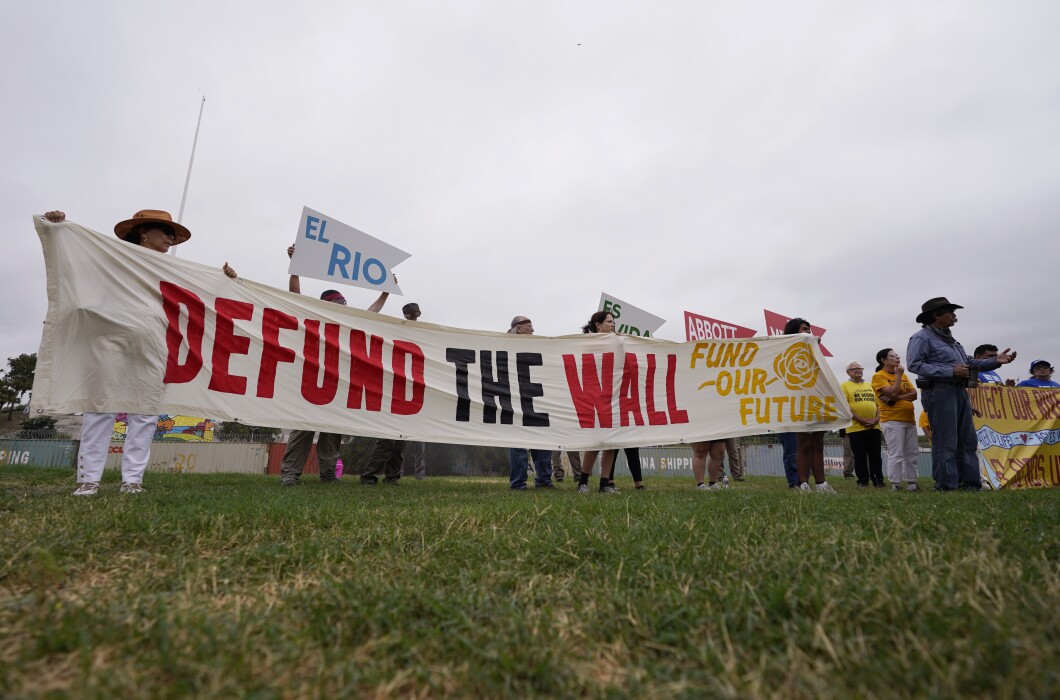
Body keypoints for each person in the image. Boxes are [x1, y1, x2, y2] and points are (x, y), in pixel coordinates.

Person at [43, 209, 231, 496]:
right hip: (109, 340)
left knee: (145, 411)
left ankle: (132, 480)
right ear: (144, 232)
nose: (170, 239)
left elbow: (203, 290)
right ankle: (89, 479)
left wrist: (225, 278)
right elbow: (78, 261)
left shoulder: (172, 269)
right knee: (100, 407)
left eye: (172, 234)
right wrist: (58, 227)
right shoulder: (114, 258)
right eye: (165, 232)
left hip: (152, 343)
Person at [279, 245, 389, 485]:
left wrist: (385, 293)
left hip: (335, 383)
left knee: (331, 431)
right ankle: (290, 473)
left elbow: (371, 313)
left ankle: (328, 473)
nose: (344, 308)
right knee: (303, 429)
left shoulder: (347, 324)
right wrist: (295, 268)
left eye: (344, 304)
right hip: (310, 382)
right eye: (339, 304)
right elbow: (295, 296)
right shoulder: (313, 318)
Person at [906, 297, 1017, 491]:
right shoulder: (921, 337)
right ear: (936, 315)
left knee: (968, 440)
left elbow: (969, 362)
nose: (954, 315)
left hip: (959, 391)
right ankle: (947, 485)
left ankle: (971, 484)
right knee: (946, 440)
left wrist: (996, 361)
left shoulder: (952, 341)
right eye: (950, 311)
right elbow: (915, 365)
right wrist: (950, 372)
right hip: (939, 391)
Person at [361, 302, 423, 485]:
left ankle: (392, 476)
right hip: (393, 393)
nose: (413, 316)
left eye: (415, 314)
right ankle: (369, 475)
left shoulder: (422, 333)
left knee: (401, 441)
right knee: (387, 441)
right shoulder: (395, 331)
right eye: (411, 314)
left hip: (409, 394)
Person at [784, 318, 836, 493]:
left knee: (818, 443)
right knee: (803, 443)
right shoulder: (788, 351)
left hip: (816, 400)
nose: (809, 333)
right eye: (804, 329)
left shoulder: (815, 352)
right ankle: (804, 483)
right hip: (800, 401)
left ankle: (821, 484)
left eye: (809, 330)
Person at [504, 315, 555, 490]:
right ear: (518, 328)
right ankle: (518, 483)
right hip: (515, 400)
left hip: (537, 399)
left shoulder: (538, 346)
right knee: (518, 443)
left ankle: (544, 480)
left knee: (542, 441)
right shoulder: (503, 346)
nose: (533, 330)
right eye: (529, 326)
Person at [576, 310, 619, 494]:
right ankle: (583, 482)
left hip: (613, 397)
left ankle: (604, 483)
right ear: (598, 325)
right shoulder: (588, 344)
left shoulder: (618, 341)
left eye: (613, 322)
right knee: (594, 442)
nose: (613, 324)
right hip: (594, 397)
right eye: (609, 321)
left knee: (611, 443)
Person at [872, 349, 920, 492]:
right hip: (892, 420)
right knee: (896, 452)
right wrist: (898, 376)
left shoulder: (904, 375)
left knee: (911, 453)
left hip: (909, 420)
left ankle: (912, 483)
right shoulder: (878, 376)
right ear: (883, 360)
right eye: (893, 356)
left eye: (897, 356)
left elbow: (914, 394)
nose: (897, 358)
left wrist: (896, 397)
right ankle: (895, 484)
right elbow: (891, 392)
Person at [841, 361, 883, 488]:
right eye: (854, 369)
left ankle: (878, 481)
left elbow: (878, 404)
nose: (858, 370)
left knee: (875, 455)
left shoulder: (870, 385)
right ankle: (863, 481)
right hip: (856, 427)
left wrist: (877, 418)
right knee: (860, 456)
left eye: (860, 368)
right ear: (848, 372)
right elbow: (845, 406)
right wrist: (860, 419)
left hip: (874, 426)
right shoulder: (844, 386)